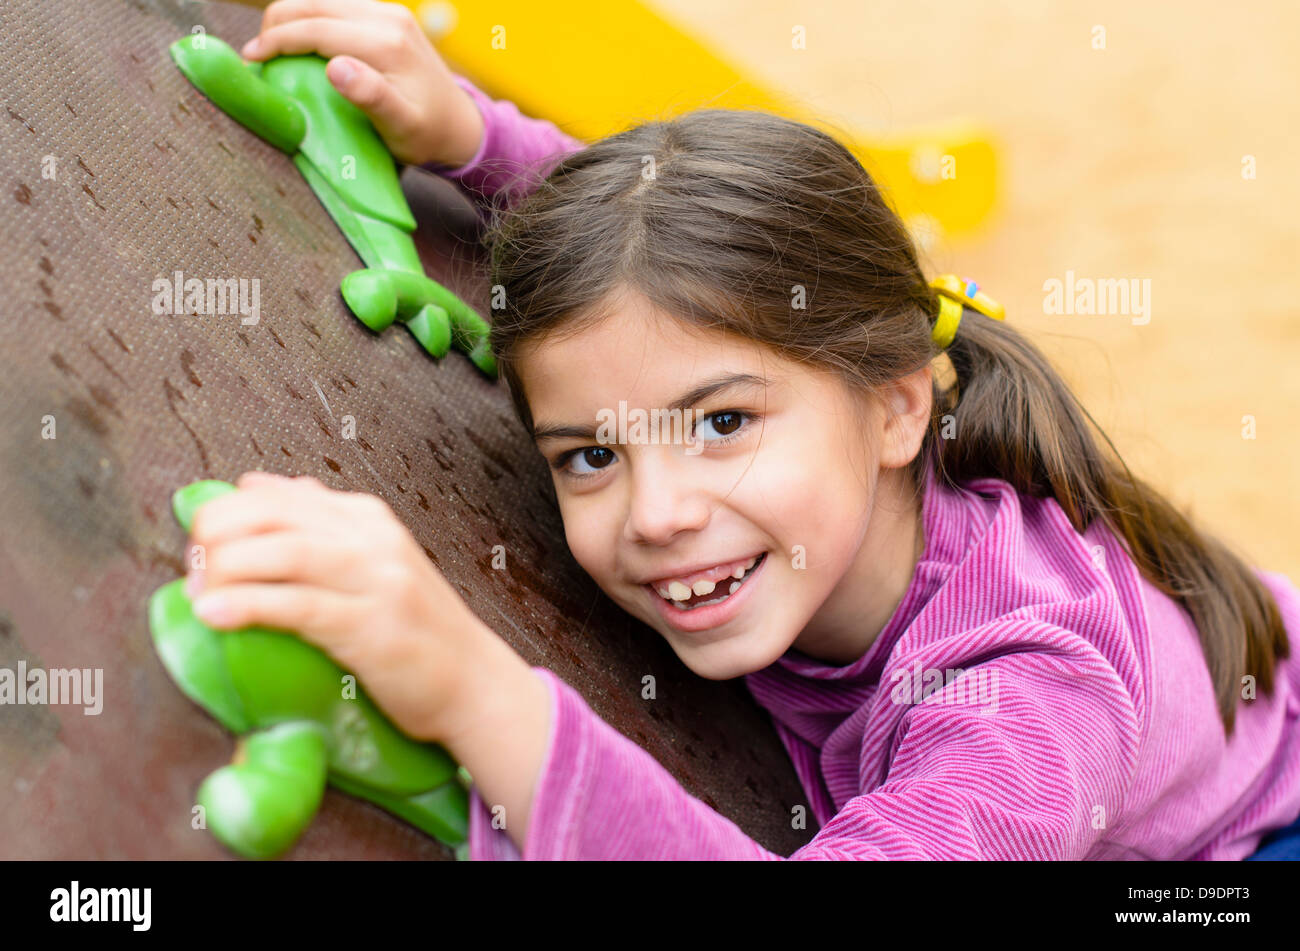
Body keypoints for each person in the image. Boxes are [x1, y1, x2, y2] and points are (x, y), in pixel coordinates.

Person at [187, 0, 1300, 859]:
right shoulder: (828, 444)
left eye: (722, 425)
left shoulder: (1029, 699)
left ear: (897, 406)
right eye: (591, 454)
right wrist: (470, 135)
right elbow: (657, 279)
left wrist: (474, 693)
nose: (660, 514)